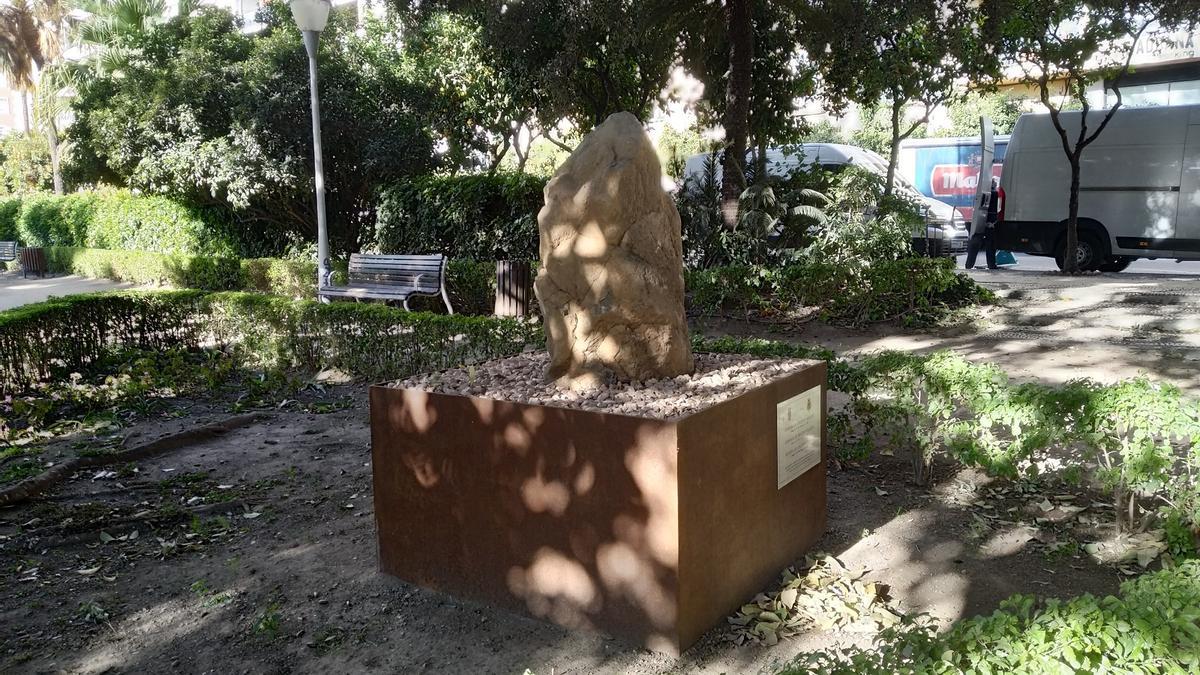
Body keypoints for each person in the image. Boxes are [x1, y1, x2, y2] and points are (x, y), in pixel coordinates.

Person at [965, 177, 999, 270]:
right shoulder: (995, 194)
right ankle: (991, 265)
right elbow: (996, 210)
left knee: (975, 245)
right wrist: (993, 222)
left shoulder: (980, 194)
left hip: (980, 222)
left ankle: (969, 265)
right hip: (990, 223)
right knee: (990, 246)